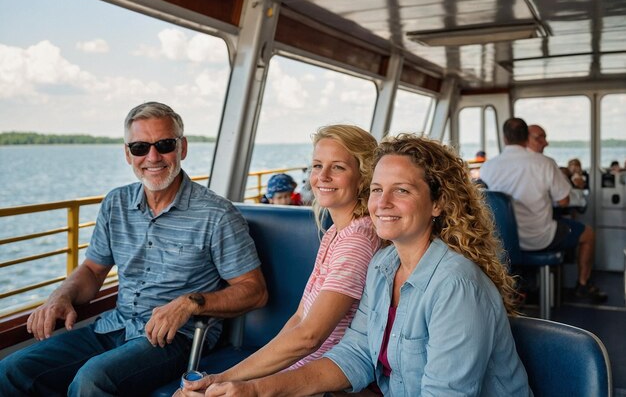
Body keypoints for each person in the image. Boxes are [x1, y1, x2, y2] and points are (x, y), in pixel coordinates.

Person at [187, 134, 531, 396]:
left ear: (438, 202)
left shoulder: (455, 285)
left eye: (402, 191)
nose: (382, 203)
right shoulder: (383, 265)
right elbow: (355, 355)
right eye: (378, 189)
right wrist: (254, 390)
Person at [0, 102, 268, 396]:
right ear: (128, 154)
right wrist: (61, 296)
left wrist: (190, 303)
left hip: (176, 337)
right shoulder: (115, 203)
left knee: (92, 381)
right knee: (12, 370)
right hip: (115, 325)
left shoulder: (217, 214)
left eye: (165, 144)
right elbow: (93, 269)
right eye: (140, 147)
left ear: (183, 148)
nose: (152, 157)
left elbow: (254, 291)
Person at [179, 124, 381, 396]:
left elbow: (310, 336)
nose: (322, 176)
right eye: (317, 166)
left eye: (338, 168)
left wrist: (223, 379)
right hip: (298, 370)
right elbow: (299, 318)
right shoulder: (335, 231)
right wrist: (246, 374)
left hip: (321, 382)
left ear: (363, 176)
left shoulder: (357, 240)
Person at [480, 118, 606, 302]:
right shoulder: (544, 163)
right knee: (588, 234)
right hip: (539, 238)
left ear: (504, 138)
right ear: (526, 138)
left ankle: (526, 286)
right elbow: (563, 200)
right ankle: (583, 284)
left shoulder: (487, 167)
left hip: (503, 241)